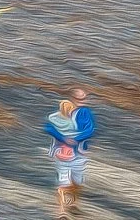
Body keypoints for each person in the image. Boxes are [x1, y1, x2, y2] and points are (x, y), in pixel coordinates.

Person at [44, 89, 97, 217]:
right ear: (72, 98)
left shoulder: (85, 113)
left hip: (78, 152)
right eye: (79, 99)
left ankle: (73, 204)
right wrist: (64, 139)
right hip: (61, 152)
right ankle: (61, 212)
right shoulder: (61, 112)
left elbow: (90, 130)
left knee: (77, 182)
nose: (82, 101)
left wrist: (75, 139)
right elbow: (48, 127)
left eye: (84, 99)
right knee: (63, 182)